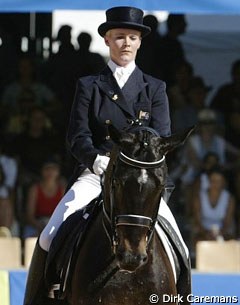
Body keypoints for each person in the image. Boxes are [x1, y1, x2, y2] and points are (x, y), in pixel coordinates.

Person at [24, 7, 188, 305]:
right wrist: (97, 161)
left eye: (132, 37)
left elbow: (161, 140)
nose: (126, 43)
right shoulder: (90, 85)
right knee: (49, 235)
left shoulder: (155, 88)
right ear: (107, 40)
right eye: (120, 37)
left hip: (140, 179)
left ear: (139, 42)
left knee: (181, 247)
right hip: (96, 172)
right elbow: (77, 136)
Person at [24, 159, 65, 237]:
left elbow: (65, 214)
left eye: (53, 169)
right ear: (42, 171)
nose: (50, 172)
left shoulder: (62, 190)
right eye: (47, 168)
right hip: (37, 224)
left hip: (56, 225)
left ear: (58, 172)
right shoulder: (35, 189)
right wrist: (40, 226)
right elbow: (29, 215)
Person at [193, 168, 235, 243]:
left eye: (218, 181)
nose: (215, 184)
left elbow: (228, 222)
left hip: (223, 232)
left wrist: (219, 234)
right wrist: (206, 234)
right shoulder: (199, 197)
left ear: (223, 182)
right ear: (208, 181)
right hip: (203, 231)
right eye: (213, 181)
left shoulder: (229, 199)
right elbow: (197, 221)